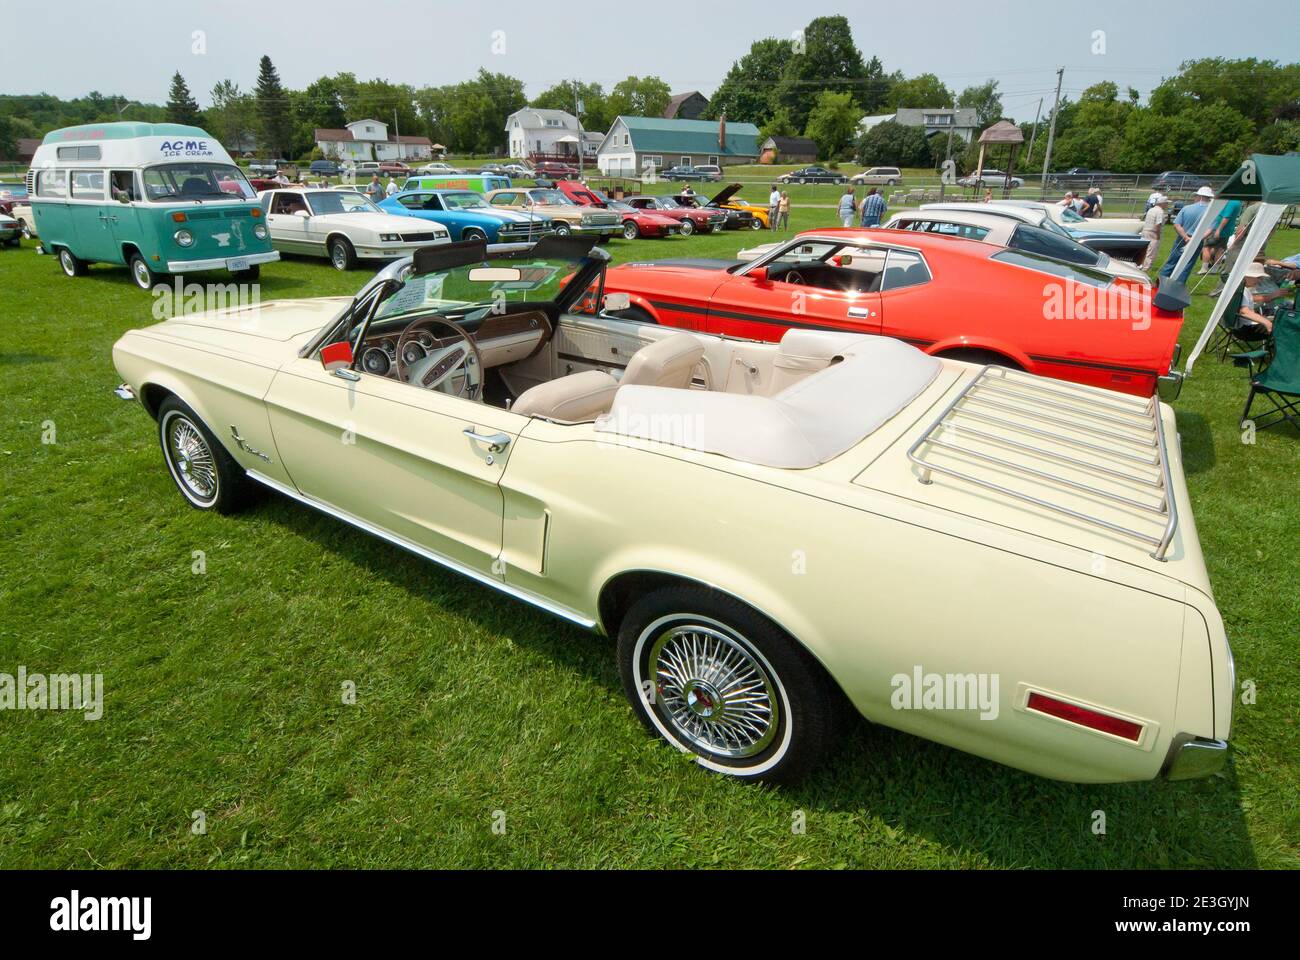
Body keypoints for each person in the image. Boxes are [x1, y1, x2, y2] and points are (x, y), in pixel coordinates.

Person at [1159, 185, 1215, 284]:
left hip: (1182, 238)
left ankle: (1160, 283)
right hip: (1196, 241)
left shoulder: (1187, 208)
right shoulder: (1212, 212)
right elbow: (1210, 229)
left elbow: (1177, 225)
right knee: (1187, 265)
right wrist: (1197, 239)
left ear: (1199, 196)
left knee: (1172, 261)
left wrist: (1185, 237)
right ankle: (1177, 286)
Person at [1200, 197, 1242, 274]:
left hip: (1218, 229)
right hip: (1227, 230)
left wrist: (1218, 230)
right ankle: (1214, 270)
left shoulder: (1231, 202)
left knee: (1206, 248)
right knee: (1219, 249)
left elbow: (1226, 217)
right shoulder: (1238, 202)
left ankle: (1204, 269)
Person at [1234, 262, 1276, 340]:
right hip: (1247, 330)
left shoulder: (1236, 288)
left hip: (1236, 328)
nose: (1261, 280)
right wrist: (1266, 322)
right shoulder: (1243, 291)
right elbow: (1244, 311)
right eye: (1258, 277)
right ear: (1246, 276)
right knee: (1285, 327)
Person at [1140, 195, 1170, 272]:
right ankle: (1146, 269)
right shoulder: (1160, 211)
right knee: (1151, 252)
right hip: (1153, 233)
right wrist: (1158, 236)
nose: (1167, 205)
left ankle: (1141, 265)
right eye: (1166, 203)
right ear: (1162, 203)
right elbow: (1158, 224)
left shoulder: (1151, 210)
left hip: (1145, 231)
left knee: (1145, 251)